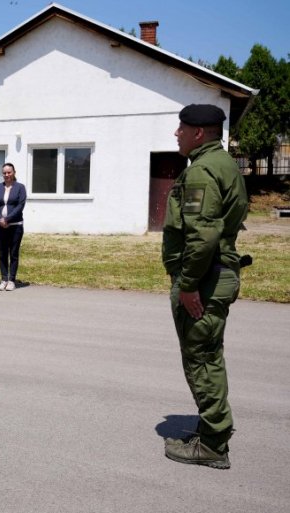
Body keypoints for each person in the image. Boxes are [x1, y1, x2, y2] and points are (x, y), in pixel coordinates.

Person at [161, 104, 248, 470]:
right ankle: (212, 429)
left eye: (181, 128)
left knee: (202, 360)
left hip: (205, 279)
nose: (176, 134)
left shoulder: (201, 171)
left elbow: (202, 235)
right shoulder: (224, 164)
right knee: (209, 356)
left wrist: (189, 284)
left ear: (198, 133)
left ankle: (212, 444)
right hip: (216, 274)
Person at [0, 163, 27, 291]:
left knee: (13, 253)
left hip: (15, 226)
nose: (7, 175)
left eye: (9, 172)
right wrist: (0, 218)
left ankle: (11, 280)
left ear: (14, 173)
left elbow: (20, 206)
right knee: (2, 253)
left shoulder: (20, 187)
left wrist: (7, 219)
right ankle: (4, 279)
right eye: (4, 173)